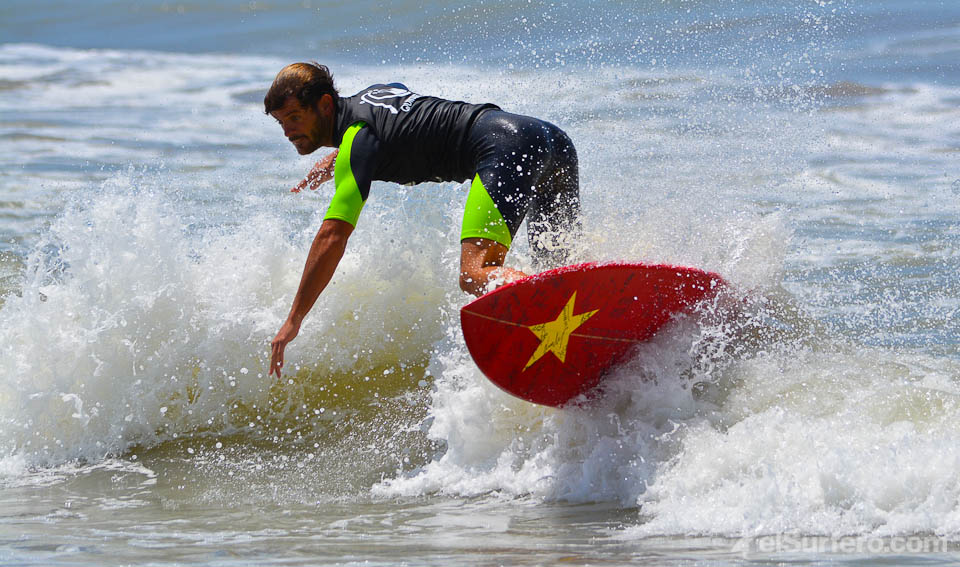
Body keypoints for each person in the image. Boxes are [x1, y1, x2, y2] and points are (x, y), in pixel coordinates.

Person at [264, 62, 580, 378]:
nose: (288, 131)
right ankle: (586, 320)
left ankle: (559, 318)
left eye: (295, 117)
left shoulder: (357, 140)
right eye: (281, 122)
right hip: (549, 138)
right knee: (558, 269)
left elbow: (332, 235)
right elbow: (398, 99)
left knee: (475, 273)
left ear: (325, 104)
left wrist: (294, 319)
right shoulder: (370, 98)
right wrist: (339, 156)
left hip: (506, 148)